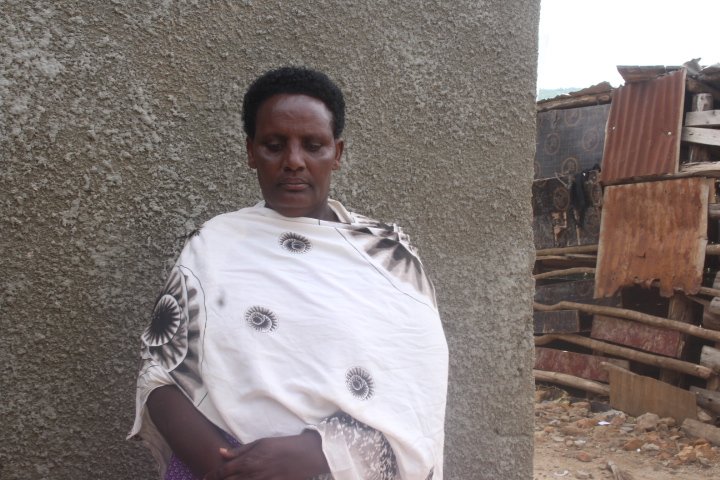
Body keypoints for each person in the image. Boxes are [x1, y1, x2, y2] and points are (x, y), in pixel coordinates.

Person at [129, 66, 448, 480]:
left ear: (337, 153)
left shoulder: (387, 259)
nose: (293, 162)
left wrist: (321, 452)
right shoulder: (214, 246)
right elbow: (160, 375)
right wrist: (226, 465)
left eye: (313, 145)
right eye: (274, 145)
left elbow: (417, 387)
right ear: (251, 152)